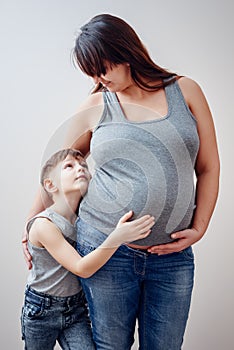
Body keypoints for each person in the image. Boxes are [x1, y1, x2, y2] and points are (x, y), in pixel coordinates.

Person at [22, 14, 220, 350]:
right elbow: (54, 169)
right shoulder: (96, 104)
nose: (98, 78)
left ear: (126, 52)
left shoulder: (185, 91)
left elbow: (209, 166)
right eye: (91, 72)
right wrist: (30, 225)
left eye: (102, 68)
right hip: (106, 250)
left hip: (172, 255)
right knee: (111, 346)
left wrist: (200, 228)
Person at [21, 148, 155, 350]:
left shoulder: (85, 221)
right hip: (42, 311)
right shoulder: (43, 225)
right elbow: (82, 268)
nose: (80, 168)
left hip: (75, 309)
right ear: (50, 184)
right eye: (69, 166)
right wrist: (117, 237)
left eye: (84, 165)